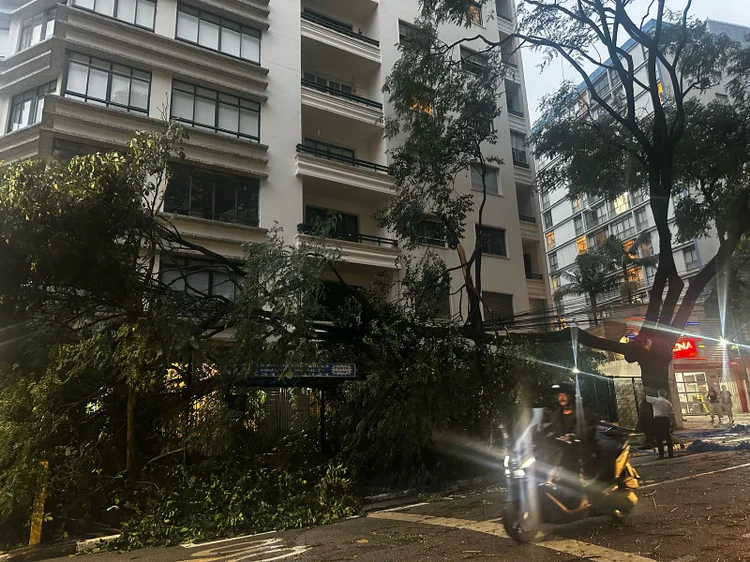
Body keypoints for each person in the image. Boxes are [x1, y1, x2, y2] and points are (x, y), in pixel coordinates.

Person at [645, 389, 674, 459]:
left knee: (659, 437)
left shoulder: (655, 400)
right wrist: (671, 423)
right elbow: (671, 414)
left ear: (658, 394)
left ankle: (661, 454)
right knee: (667, 437)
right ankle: (671, 453)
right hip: (666, 420)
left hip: (658, 420)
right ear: (665, 394)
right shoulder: (668, 403)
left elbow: (644, 397)